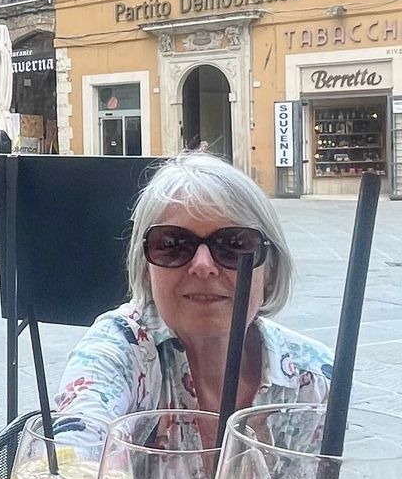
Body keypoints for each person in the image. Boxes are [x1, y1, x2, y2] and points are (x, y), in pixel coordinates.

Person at [53, 150, 331, 448]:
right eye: (172, 244)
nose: (202, 265)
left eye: (234, 245)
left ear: (271, 267)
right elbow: (77, 448)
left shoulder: (314, 379)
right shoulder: (119, 353)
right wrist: (79, 466)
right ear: (145, 268)